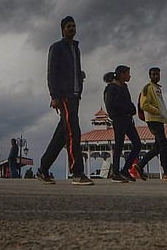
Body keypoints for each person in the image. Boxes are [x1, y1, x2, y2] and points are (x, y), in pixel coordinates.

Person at [36, 15, 93, 185]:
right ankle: (77, 172)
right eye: (69, 26)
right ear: (63, 29)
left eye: (74, 26)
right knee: (73, 133)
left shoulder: (76, 49)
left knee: (62, 135)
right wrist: (54, 96)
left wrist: (79, 76)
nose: (72, 29)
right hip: (65, 96)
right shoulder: (57, 48)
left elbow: (73, 70)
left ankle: (42, 169)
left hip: (75, 96)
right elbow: (52, 73)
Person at [136, 67, 167, 181]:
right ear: (149, 76)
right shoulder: (147, 88)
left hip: (159, 120)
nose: (156, 76)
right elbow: (143, 105)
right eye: (154, 74)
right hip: (153, 119)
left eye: (158, 74)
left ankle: (140, 165)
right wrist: (157, 111)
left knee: (158, 147)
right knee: (163, 145)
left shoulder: (157, 88)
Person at [103, 66, 142, 183]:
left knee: (137, 144)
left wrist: (131, 110)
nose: (129, 76)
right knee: (119, 145)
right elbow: (110, 106)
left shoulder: (124, 87)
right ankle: (115, 173)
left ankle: (125, 170)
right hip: (119, 119)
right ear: (121, 74)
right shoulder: (111, 88)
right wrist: (126, 110)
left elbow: (129, 102)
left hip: (128, 120)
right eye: (128, 74)